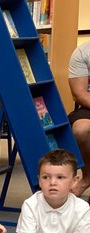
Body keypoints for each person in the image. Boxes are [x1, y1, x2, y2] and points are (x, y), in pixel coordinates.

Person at [68, 41, 90, 196]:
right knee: (81, 129)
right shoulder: (83, 52)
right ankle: (88, 177)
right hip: (88, 107)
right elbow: (79, 94)